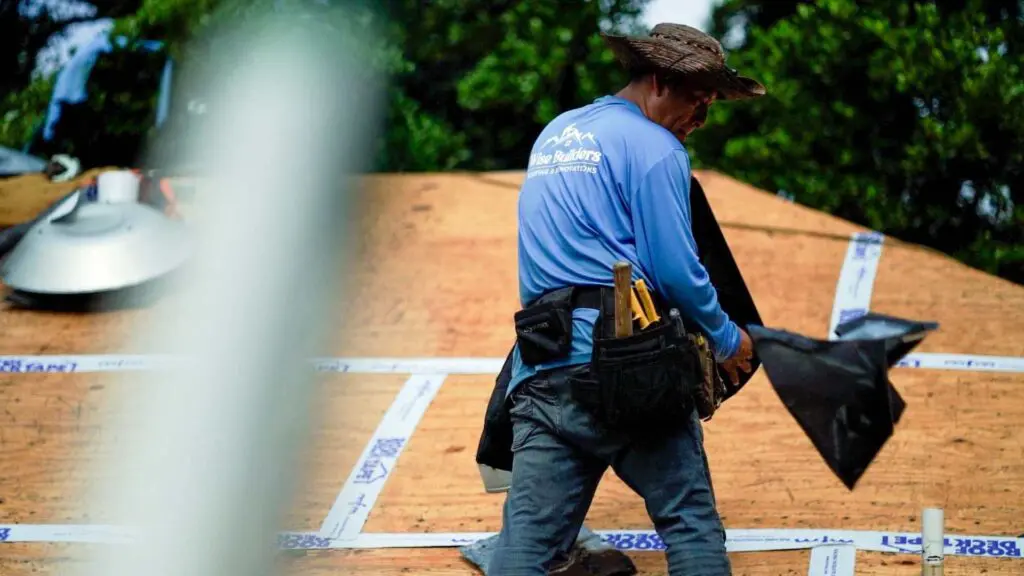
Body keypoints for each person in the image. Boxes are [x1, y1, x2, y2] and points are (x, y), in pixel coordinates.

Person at [487, 23, 766, 576]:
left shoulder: (556, 134)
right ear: (660, 81)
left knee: (524, 551)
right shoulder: (657, 148)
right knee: (690, 521)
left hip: (541, 365)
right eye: (699, 101)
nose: (702, 120)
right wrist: (729, 337)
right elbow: (677, 272)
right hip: (624, 363)